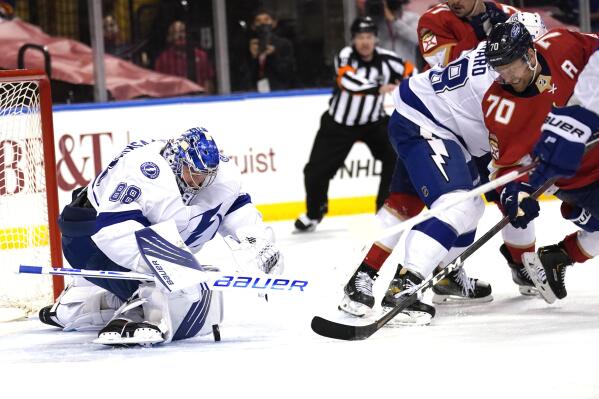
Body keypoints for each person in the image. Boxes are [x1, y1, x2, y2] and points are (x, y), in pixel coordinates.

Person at [340, 13, 548, 324]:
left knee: (410, 204)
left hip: (432, 118)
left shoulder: (496, 52)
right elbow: (504, 156)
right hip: (427, 125)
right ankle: (404, 286)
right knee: (457, 204)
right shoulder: (504, 81)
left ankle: (364, 278)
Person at [38, 127, 283, 346]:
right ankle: (133, 308)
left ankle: (79, 300)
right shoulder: (144, 169)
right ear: (177, 162)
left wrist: (257, 243)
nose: (200, 181)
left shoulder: (219, 173)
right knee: (179, 294)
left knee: (179, 284)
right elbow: (110, 230)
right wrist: (171, 264)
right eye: (193, 173)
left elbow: (234, 209)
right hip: (86, 237)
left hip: (105, 231)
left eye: (206, 174)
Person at [482, 21, 599, 303]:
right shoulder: (498, 106)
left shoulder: (562, 43)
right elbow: (507, 168)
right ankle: (572, 236)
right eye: (500, 71)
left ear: (530, 55)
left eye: (512, 67)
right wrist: (514, 194)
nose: (508, 77)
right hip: (576, 178)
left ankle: (558, 257)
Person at [294, 16, 411, 232]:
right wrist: (379, 88)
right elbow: (347, 81)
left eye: (369, 37)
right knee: (315, 171)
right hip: (339, 123)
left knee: (394, 156)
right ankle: (314, 212)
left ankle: (383, 209)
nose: (365, 42)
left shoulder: (389, 60)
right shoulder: (345, 55)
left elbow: (411, 74)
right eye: (360, 37)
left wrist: (405, 83)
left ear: (375, 39)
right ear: (353, 40)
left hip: (374, 122)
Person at [418, 0, 518, 68]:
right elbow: (443, 66)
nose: (455, 2)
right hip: (444, 93)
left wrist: (515, 35)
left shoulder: (508, 12)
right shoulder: (431, 20)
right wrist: (476, 34)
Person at [238, 8, 296, 92]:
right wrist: (252, 57)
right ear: (253, 26)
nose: (263, 24)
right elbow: (243, 76)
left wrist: (273, 55)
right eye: (258, 21)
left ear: (274, 23)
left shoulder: (284, 45)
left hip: (279, 91)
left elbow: (288, 73)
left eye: (266, 20)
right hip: (255, 92)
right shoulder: (248, 46)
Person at [155, 20, 215, 94]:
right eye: (175, 33)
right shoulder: (162, 59)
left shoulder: (201, 55)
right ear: (169, 37)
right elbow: (159, 87)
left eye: (182, 31)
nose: (180, 35)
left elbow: (208, 82)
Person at [366, 0, 420, 65]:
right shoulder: (379, 21)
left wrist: (394, 21)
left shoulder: (412, 18)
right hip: (385, 65)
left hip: (407, 65)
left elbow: (417, 38)